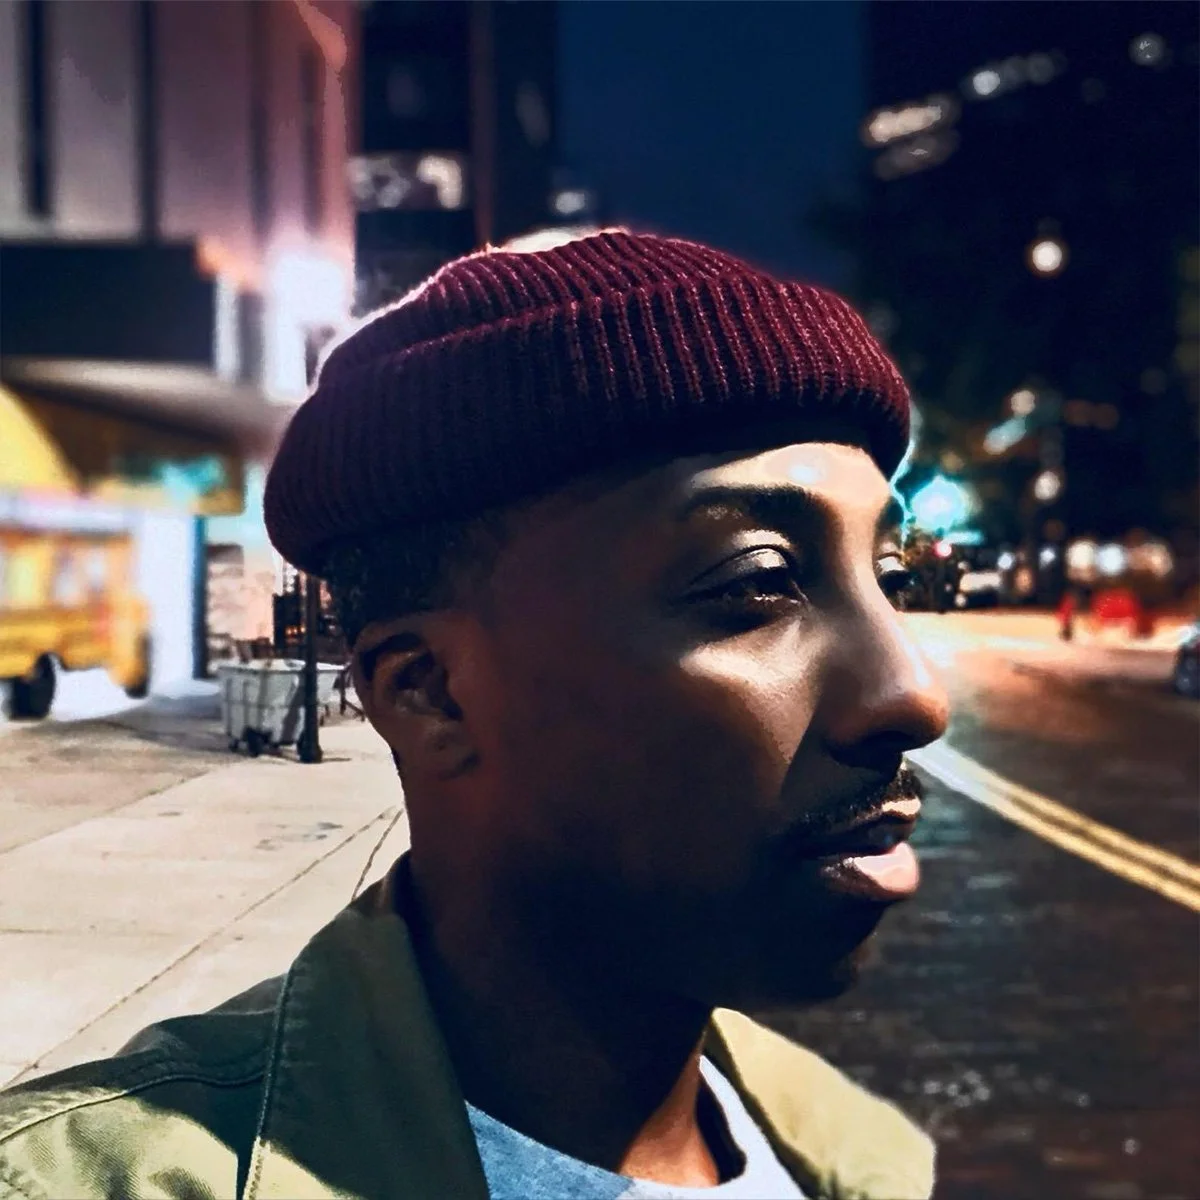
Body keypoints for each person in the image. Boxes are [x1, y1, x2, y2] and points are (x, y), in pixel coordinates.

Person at [0, 230, 949, 1199]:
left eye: (889, 579)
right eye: (761, 580)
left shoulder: (852, 1155)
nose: (914, 695)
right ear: (427, 692)